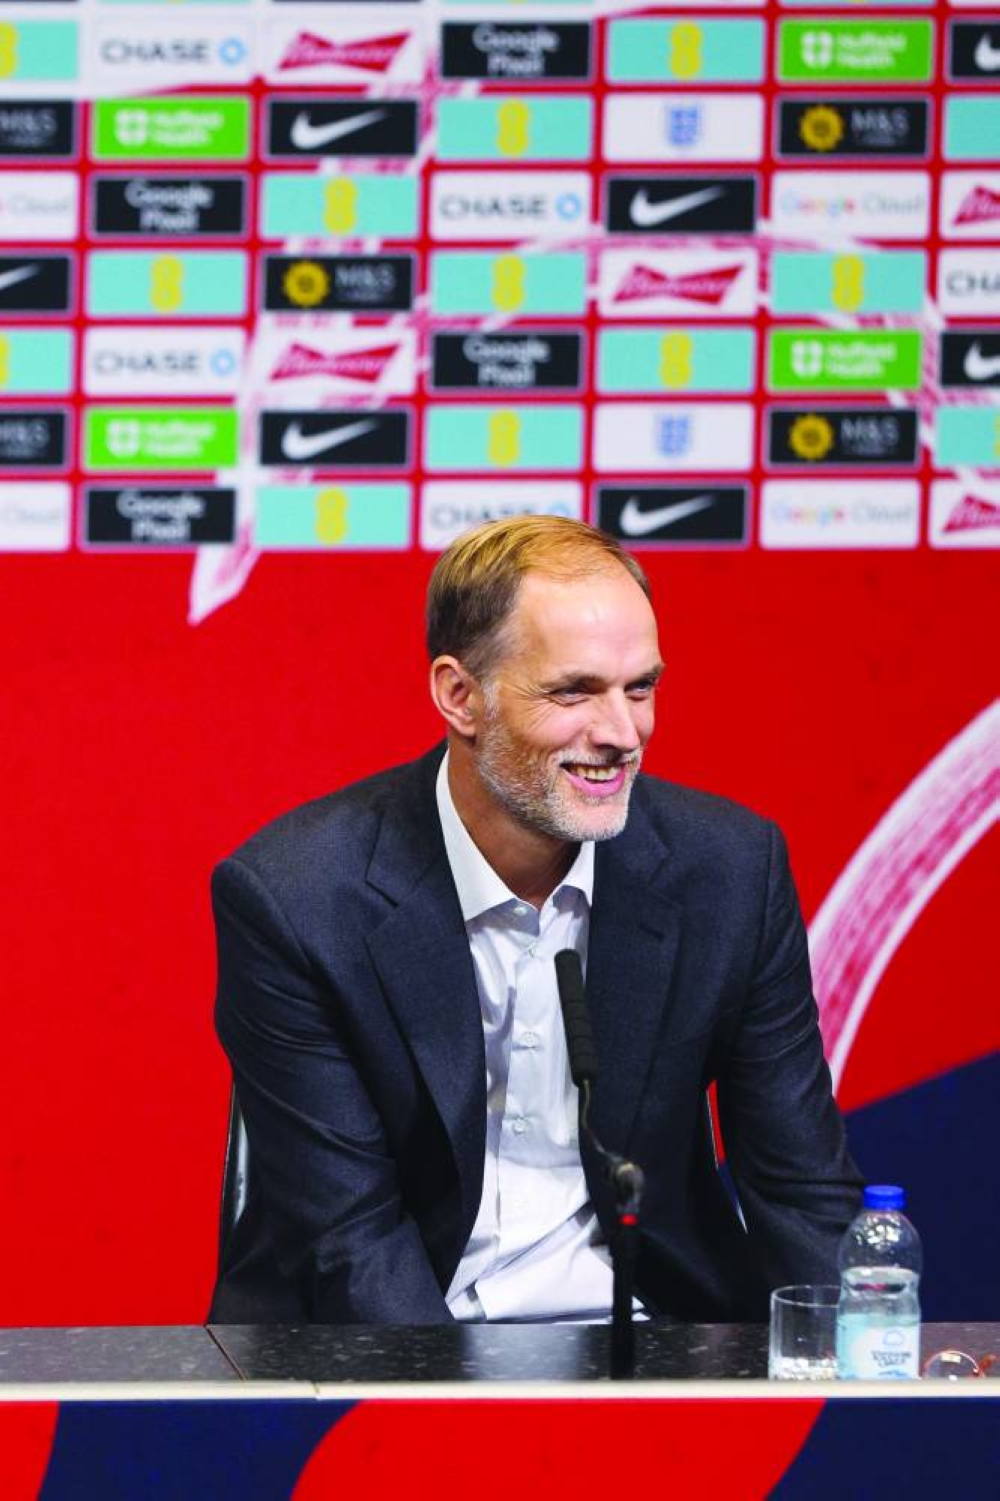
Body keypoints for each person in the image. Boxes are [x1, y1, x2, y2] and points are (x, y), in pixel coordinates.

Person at [209, 516, 862, 1324]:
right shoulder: (296, 897)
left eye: (640, 688)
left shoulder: (729, 871)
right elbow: (349, 1241)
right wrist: (466, 1400)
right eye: (573, 691)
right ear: (460, 695)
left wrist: (854, 1369)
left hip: (644, 1341)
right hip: (388, 1347)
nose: (622, 734)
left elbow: (801, 1187)